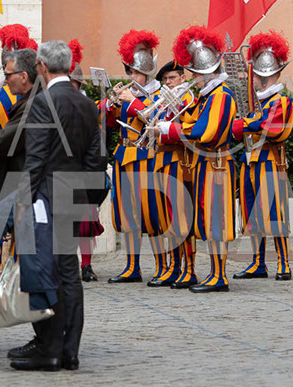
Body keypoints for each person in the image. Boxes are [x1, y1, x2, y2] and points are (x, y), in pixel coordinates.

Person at [8, 40, 106, 372]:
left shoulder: (43, 101)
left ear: (41, 67)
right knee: (69, 273)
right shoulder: (87, 103)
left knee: (45, 271)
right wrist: (88, 198)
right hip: (75, 194)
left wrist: (23, 202)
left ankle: (50, 349)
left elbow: (35, 158)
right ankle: (69, 350)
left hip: (47, 196)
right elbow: (96, 158)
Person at [155, 25, 237, 293]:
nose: (193, 79)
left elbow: (206, 132)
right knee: (207, 220)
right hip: (205, 165)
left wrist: (171, 129)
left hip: (216, 164)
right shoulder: (208, 97)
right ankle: (213, 273)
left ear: (206, 72)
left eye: (195, 74)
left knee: (217, 221)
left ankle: (219, 276)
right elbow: (194, 122)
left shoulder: (221, 96)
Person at [99, 30, 174, 286]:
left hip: (147, 157)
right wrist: (110, 105)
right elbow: (110, 123)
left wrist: (132, 102)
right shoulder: (129, 94)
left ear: (147, 73)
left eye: (135, 73)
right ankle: (132, 266)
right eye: (129, 72)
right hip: (124, 156)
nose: (131, 77)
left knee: (152, 213)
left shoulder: (160, 95)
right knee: (128, 214)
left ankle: (163, 266)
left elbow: (158, 119)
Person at [127, 59, 199, 288]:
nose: (168, 82)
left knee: (181, 217)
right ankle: (174, 267)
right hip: (161, 160)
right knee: (167, 219)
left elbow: (191, 127)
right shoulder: (162, 100)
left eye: (172, 78)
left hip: (179, 161)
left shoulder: (188, 99)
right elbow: (153, 121)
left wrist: (168, 123)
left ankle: (189, 269)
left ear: (183, 78)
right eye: (165, 79)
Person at [232, 31, 293, 281]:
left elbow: (273, 130)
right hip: (251, 161)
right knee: (251, 212)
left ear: (263, 76)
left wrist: (246, 124)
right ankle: (258, 262)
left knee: (275, 212)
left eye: (255, 75)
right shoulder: (256, 103)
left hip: (269, 162)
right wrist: (247, 124)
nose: (253, 79)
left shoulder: (281, 101)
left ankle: (283, 262)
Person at [0, 24, 36, 298]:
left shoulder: (25, 102)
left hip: (14, 171)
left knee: (7, 230)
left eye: (8, 73)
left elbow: (0, 140)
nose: (5, 78)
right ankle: (0, 281)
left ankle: (4, 283)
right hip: (4, 169)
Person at [68, 39, 103, 282]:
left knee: (85, 223)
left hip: (84, 169)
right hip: (63, 168)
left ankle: (87, 265)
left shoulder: (88, 105)